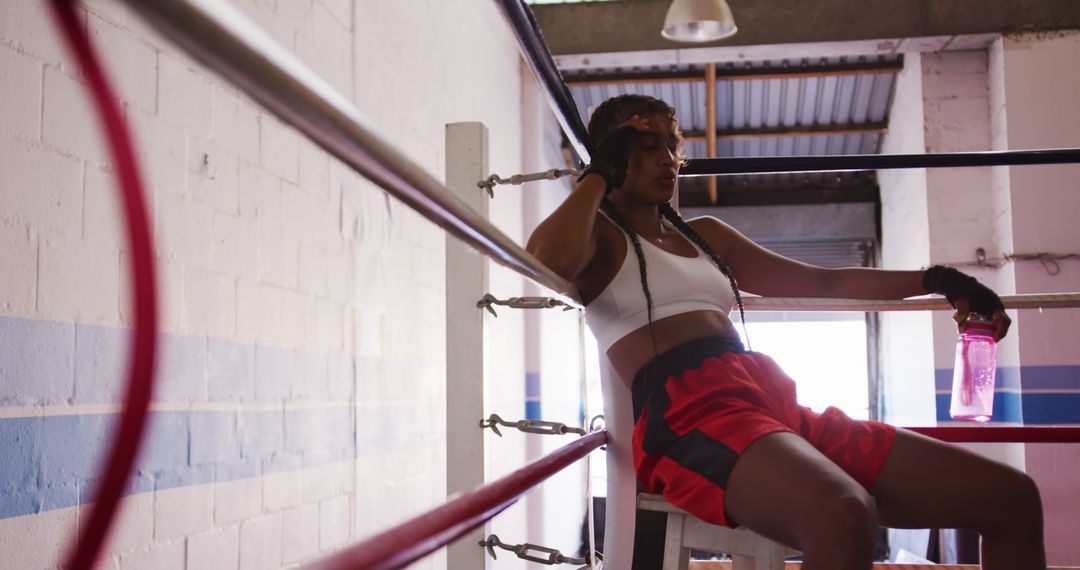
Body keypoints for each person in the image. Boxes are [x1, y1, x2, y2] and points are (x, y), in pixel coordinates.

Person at [526, 94, 1045, 569]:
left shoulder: (703, 235)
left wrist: (939, 280)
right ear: (614, 154)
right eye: (644, 145)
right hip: (689, 415)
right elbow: (543, 261)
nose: (667, 158)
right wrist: (597, 173)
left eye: (671, 143)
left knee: (1010, 497)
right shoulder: (597, 235)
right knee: (844, 513)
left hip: (768, 402)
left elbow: (825, 278)